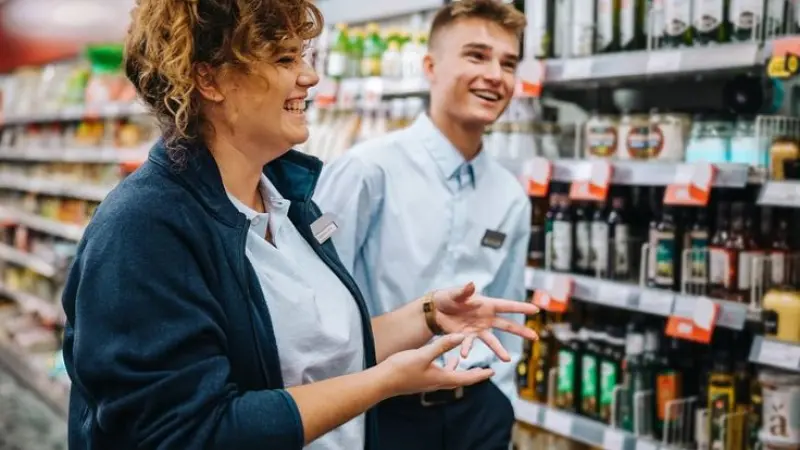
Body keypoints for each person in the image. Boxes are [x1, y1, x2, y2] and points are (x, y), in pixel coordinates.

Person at [60, 0, 540, 449]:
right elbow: (185, 432)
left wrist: (428, 315)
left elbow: (314, 352)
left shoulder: (289, 202)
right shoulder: (143, 230)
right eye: (286, 60)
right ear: (210, 79)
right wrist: (385, 382)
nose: (309, 76)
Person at [313, 1, 531, 449]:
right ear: (430, 66)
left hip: (478, 413)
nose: (495, 75)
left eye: (508, 63)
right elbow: (316, 312)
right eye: (476, 55)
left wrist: (500, 401)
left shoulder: (510, 194)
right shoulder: (366, 171)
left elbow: (507, 310)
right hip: (385, 410)